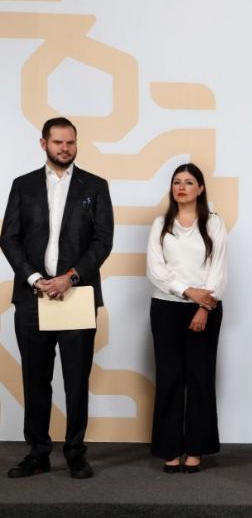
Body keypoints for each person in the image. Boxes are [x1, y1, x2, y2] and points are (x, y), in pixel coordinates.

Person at [0, 117, 114, 479]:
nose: (65, 148)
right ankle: (37, 452)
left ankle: (76, 452)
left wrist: (70, 277)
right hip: (33, 298)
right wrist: (36, 279)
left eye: (71, 143)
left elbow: (102, 241)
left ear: (76, 144)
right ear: (43, 143)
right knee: (35, 378)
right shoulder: (23, 185)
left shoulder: (95, 186)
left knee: (76, 378)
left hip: (77, 294)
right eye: (58, 142)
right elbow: (9, 238)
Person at [146, 163, 227, 473]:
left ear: (200, 189)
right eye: (177, 182)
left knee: (200, 378)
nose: (182, 187)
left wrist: (203, 306)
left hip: (205, 308)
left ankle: (196, 449)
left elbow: (218, 268)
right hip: (165, 307)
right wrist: (187, 292)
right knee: (169, 378)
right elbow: (156, 270)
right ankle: (169, 448)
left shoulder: (214, 224)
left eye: (189, 182)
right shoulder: (160, 224)